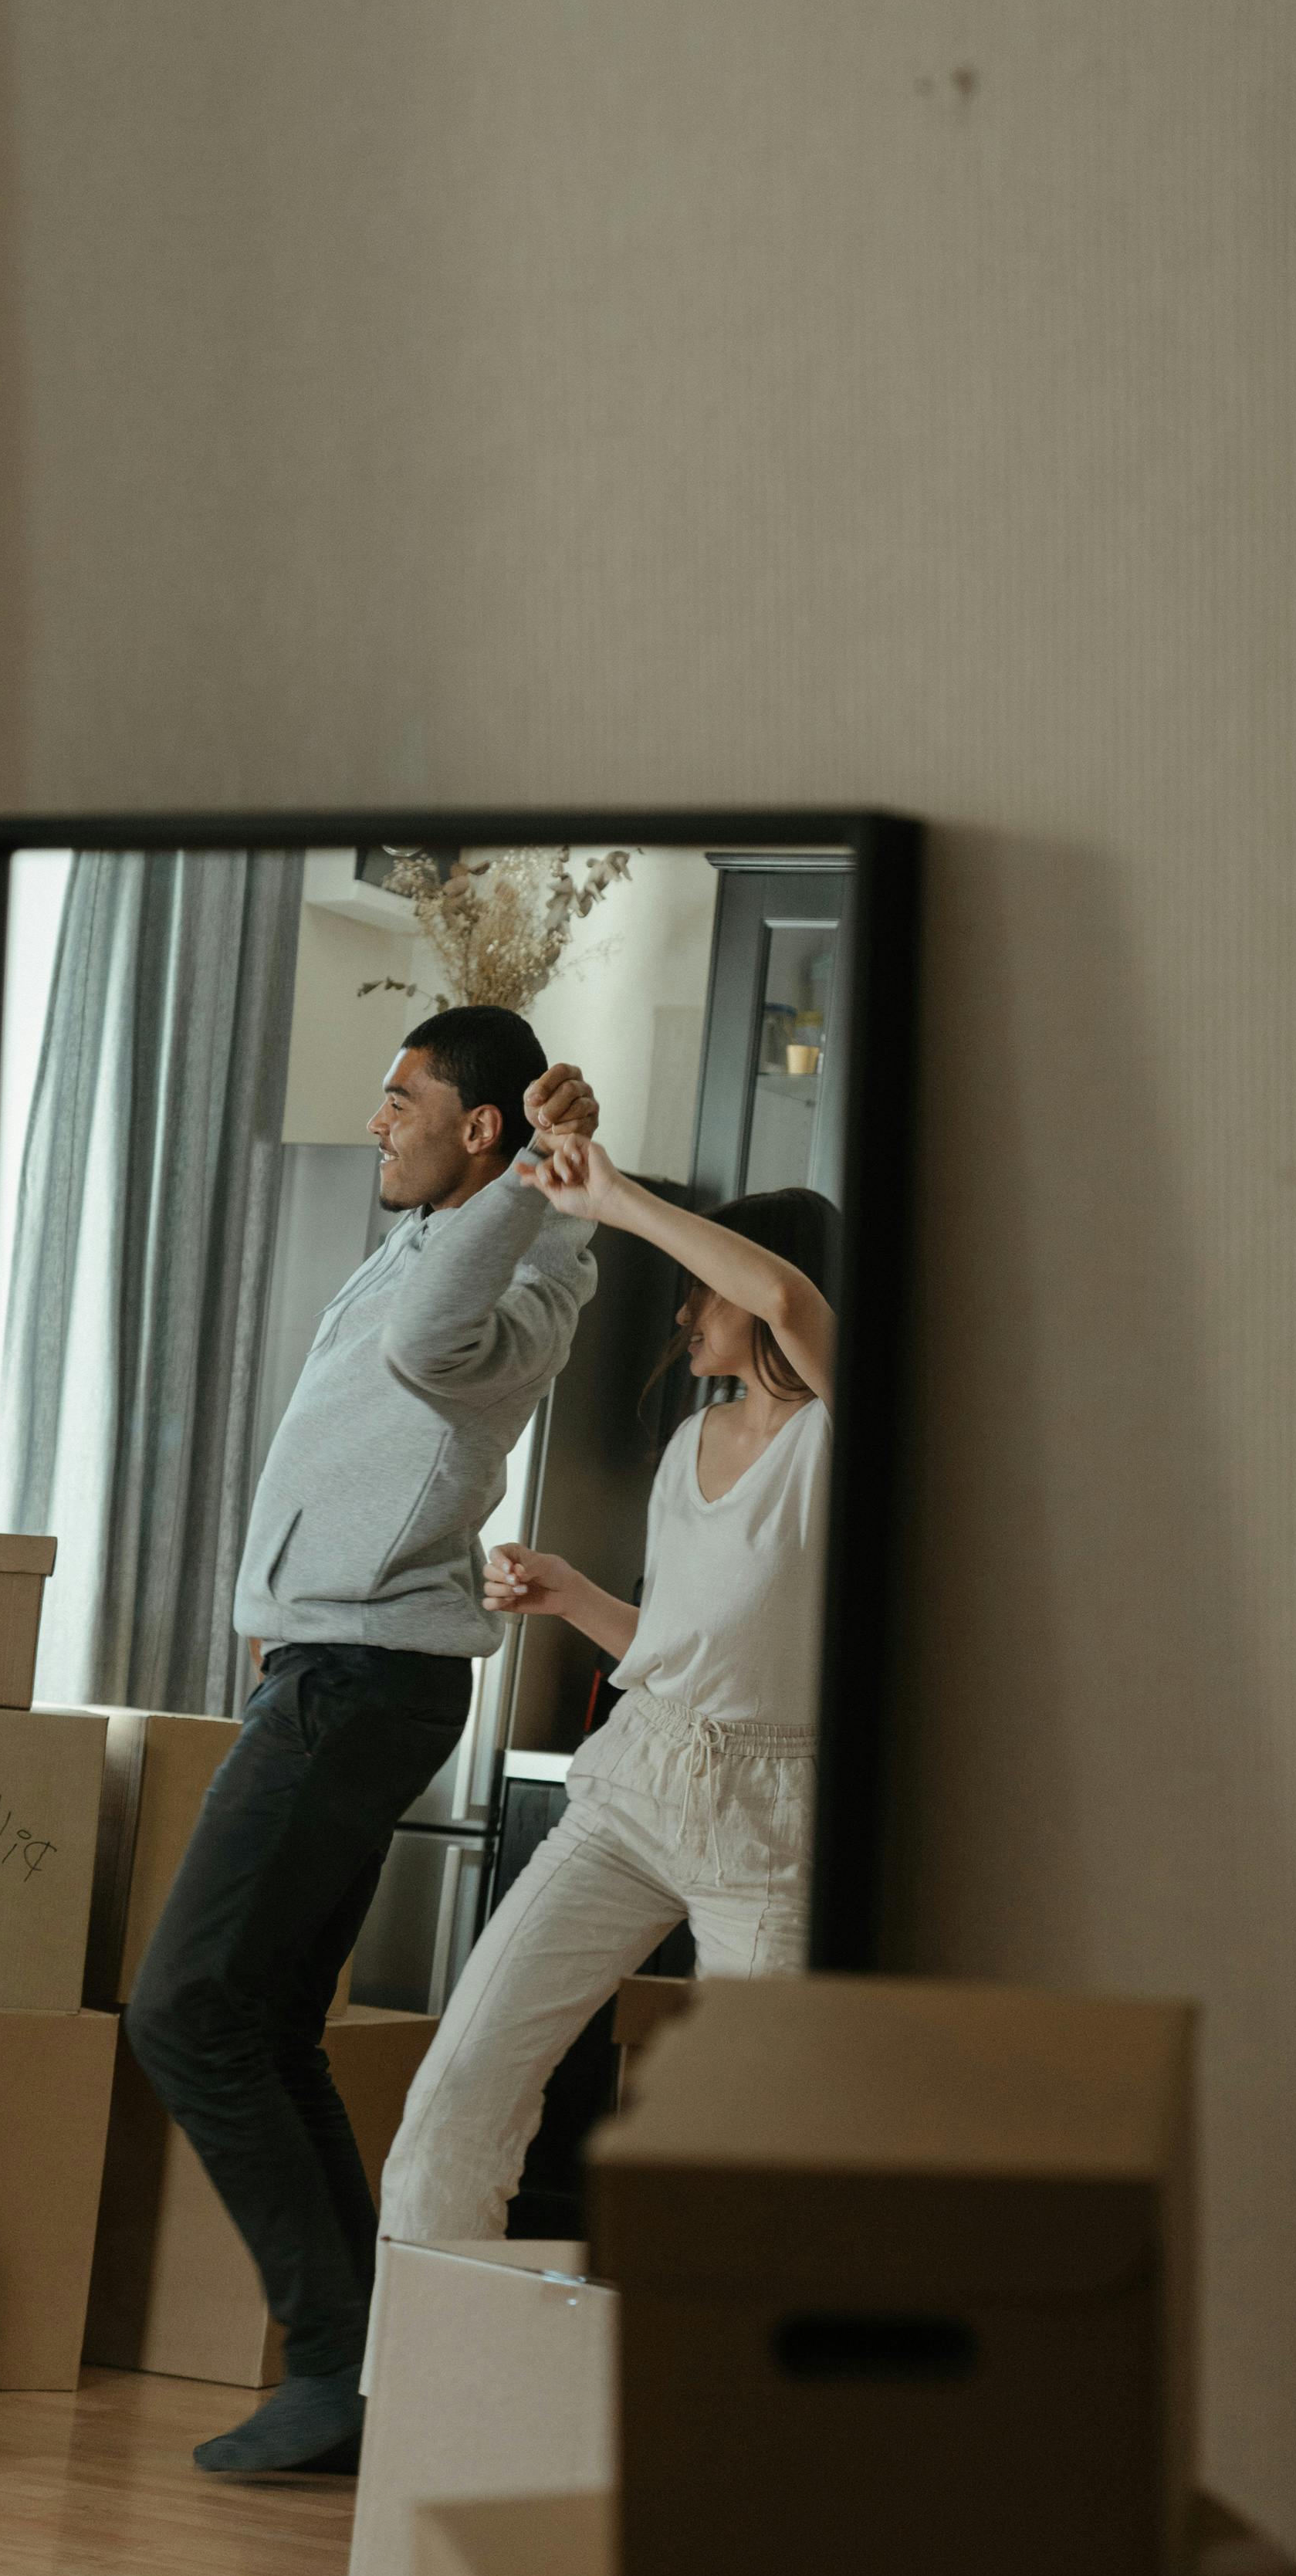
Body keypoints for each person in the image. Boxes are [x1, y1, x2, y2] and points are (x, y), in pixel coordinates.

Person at [125, 1007, 601, 2476]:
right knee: (262, 2025)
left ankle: (337, 2366)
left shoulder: (507, 1281)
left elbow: (422, 1346)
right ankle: (361, 2366)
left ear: (482, 1129)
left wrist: (533, 1179)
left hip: (362, 1680)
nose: (375, 1120)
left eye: (403, 1100)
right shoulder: (429, 1236)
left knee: (187, 2011)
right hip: (324, 1671)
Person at [375, 1127, 839, 2250]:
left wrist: (616, 1197)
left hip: (770, 1828)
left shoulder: (838, 1433)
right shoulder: (691, 1442)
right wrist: (572, 1593)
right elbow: (690, 1648)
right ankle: (422, 2398)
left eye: (697, 1291)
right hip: (635, 1782)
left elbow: (780, 1289)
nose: (684, 1315)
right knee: (459, 2088)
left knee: (745, 2155)